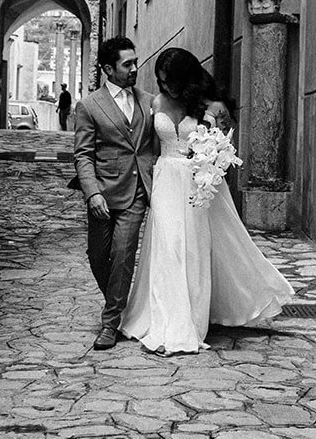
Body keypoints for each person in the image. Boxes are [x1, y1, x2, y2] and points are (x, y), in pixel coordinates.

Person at [120, 47, 293, 354]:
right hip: (164, 182)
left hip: (196, 183)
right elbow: (146, 147)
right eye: (161, 81)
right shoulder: (157, 102)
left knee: (193, 250)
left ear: (186, 79)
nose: (166, 87)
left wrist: (209, 160)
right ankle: (165, 322)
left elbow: (224, 149)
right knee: (167, 248)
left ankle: (190, 321)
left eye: (171, 81)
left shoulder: (209, 106)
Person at [74, 36, 157, 350]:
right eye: (127, 64)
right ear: (108, 69)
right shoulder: (89, 105)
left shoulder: (149, 101)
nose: (135, 68)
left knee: (123, 256)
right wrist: (92, 193)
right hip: (104, 192)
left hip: (137, 190)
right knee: (98, 257)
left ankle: (110, 323)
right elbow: (83, 155)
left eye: (135, 61)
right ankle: (117, 301)